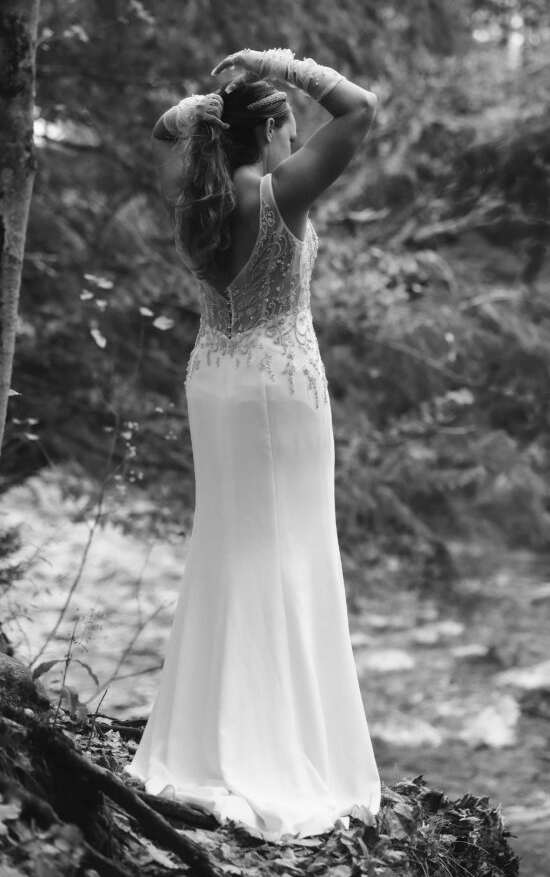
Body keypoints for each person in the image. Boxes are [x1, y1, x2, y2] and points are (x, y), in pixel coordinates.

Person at [124, 49, 382, 841]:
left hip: (216, 383)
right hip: (278, 391)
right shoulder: (275, 196)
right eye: (287, 129)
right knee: (291, 551)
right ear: (268, 130)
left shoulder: (198, 207)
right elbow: (362, 109)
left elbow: (186, 132)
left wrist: (228, 99)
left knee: (230, 549)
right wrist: (283, 62)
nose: (293, 142)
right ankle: (280, 751)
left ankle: (208, 739)